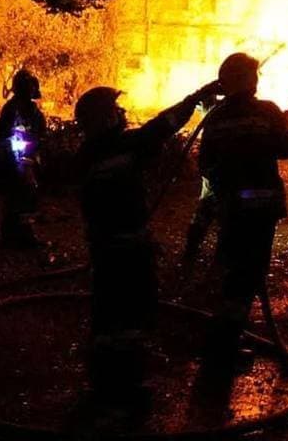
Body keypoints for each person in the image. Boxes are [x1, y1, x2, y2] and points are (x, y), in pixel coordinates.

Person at [73, 80, 221, 420]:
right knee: (129, 318)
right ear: (104, 119)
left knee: (108, 317)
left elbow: (154, 135)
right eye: (115, 110)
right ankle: (122, 393)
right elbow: (162, 127)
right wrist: (195, 98)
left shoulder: (89, 155)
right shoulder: (119, 149)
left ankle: (105, 387)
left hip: (106, 250)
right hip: (126, 251)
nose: (122, 113)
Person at [194, 52, 288, 378]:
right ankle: (222, 350)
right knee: (246, 278)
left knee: (231, 273)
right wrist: (285, 124)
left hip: (231, 210)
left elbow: (205, 164)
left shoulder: (215, 117)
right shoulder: (266, 112)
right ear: (250, 81)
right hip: (261, 211)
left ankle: (223, 341)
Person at [0, 69, 48, 247]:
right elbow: (3, 133)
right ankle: (12, 235)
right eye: (27, 86)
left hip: (29, 158)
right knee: (16, 197)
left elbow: (40, 131)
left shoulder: (32, 109)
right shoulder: (11, 109)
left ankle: (24, 233)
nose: (30, 90)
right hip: (14, 159)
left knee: (28, 197)